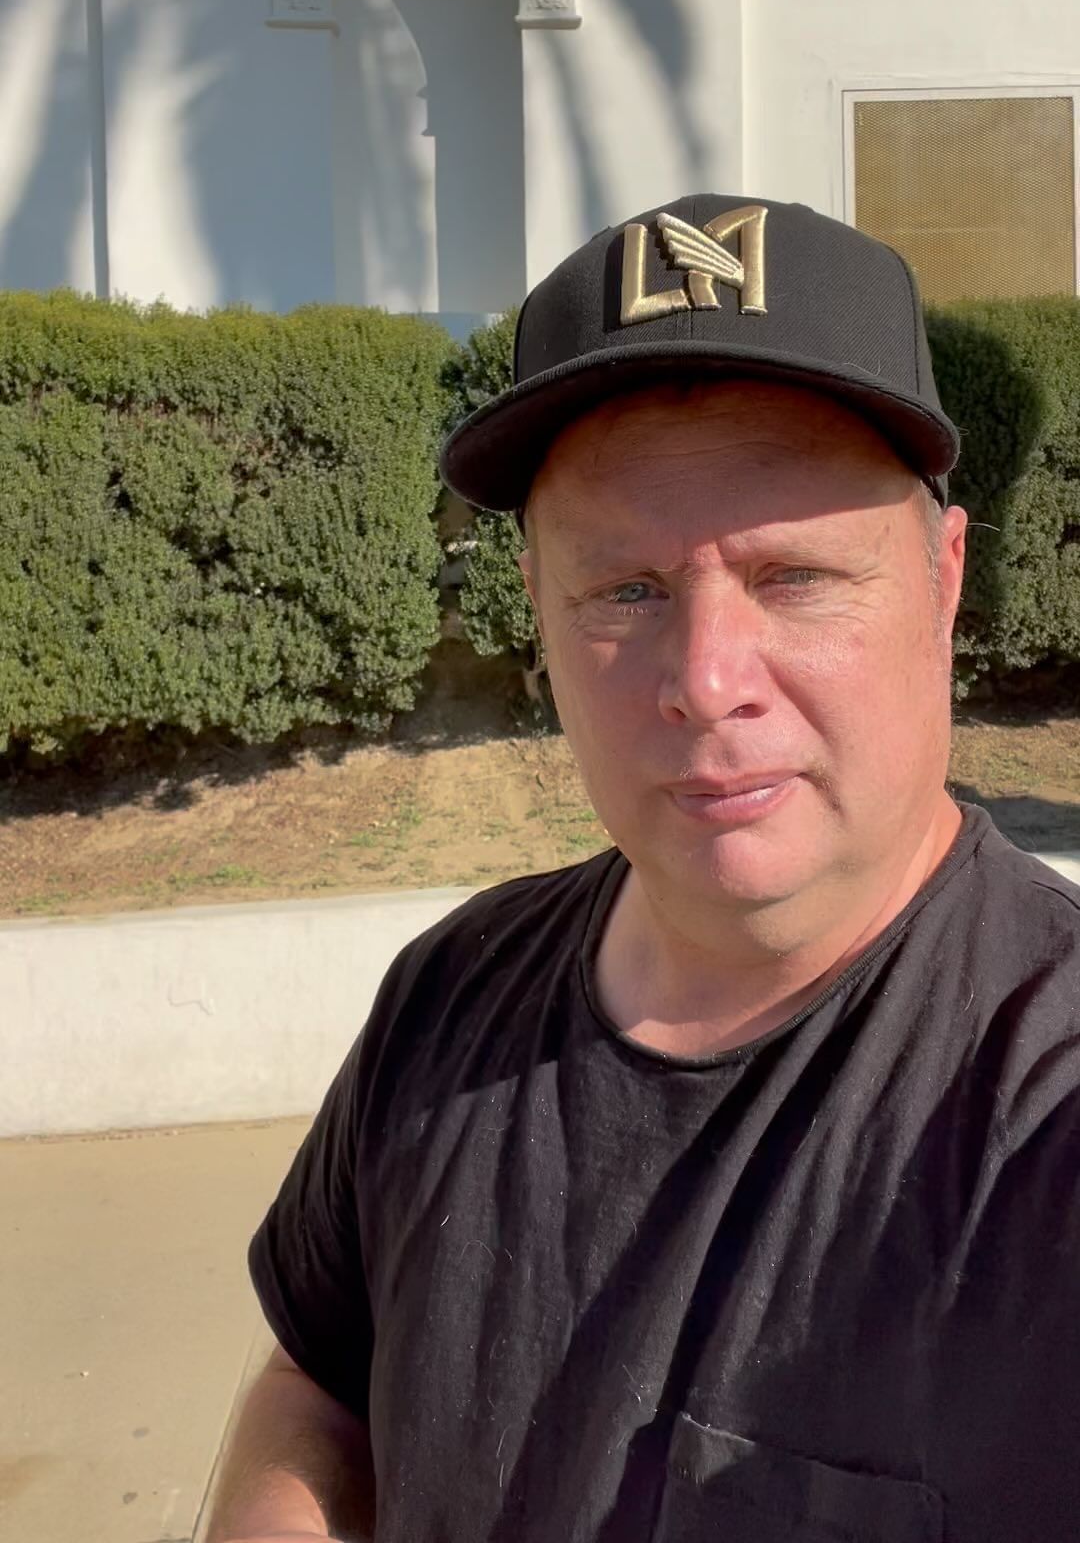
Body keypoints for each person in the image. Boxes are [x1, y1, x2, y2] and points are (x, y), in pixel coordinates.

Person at [208, 195, 1080, 1543]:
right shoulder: (447, 997)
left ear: (943, 579)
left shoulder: (1044, 1102)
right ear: (539, 608)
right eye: (625, 590)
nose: (705, 680)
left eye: (795, 577)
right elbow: (316, 1381)